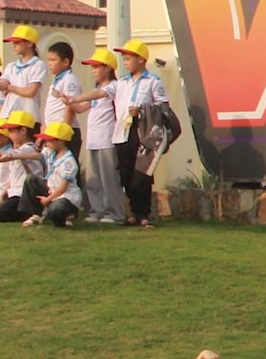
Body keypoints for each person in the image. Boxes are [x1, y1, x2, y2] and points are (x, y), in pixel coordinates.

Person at [60, 49, 129, 224]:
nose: (93, 71)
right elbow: (81, 108)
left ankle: (115, 214)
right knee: (93, 180)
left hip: (107, 140)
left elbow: (99, 95)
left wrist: (74, 98)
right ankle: (97, 211)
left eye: (96, 67)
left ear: (108, 68)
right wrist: (68, 101)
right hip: (93, 141)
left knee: (109, 179)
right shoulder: (96, 89)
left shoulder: (114, 86)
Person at [109, 39, 170, 225]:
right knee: (126, 172)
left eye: (129, 59)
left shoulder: (153, 81)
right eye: (124, 59)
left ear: (141, 59)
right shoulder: (121, 82)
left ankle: (144, 213)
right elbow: (105, 94)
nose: (125, 63)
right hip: (123, 132)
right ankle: (134, 212)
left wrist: (142, 109)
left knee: (142, 173)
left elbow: (164, 106)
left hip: (143, 132)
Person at [28, 121, 83, 227]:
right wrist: (13, 156)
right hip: (52, 190)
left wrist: (47, 200)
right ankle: (37, 214)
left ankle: (67, 216)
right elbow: (38, 156)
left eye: (49, 140)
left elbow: (62, 188)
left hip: (65, 196)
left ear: (61, 141)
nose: (47, 144)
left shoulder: (69, 162)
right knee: (31, 180)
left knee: (55, 210)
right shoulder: (50, 152)